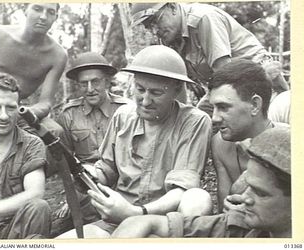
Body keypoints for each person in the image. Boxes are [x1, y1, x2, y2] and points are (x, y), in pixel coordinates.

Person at [57, 45, 213, 238]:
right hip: (117, 223)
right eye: (140, 90)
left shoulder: (193, 122)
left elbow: (182, 190)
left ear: (176, 90)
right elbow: (106, 169)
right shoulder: (123, 116)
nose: (145, 101)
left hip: (163, 224)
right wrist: (91, 175)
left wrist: (138, 213)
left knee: (198, 198)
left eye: (156, 93)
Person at [112, 126, 291, 238]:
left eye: (261, 193)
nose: (245, 198)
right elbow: (139, 223)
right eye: (249, 186)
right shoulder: (247, 225)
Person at [131, 3, 289, 116]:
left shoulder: (202, 19)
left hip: (261, 81)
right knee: (196, 124)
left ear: (172, 7)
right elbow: (177, 85)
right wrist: (180, 119)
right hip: (228, 85)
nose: (154, 31)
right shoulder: (169, 37)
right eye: (148, 26)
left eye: (156, 21)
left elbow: (225, 71)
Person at [52, 52, 130, 236]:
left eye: (95, 82)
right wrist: (70, 197)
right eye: (83, 84)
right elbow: (65, 162)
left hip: (123, 183)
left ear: (107, 82)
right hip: (87, 186)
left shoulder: (126, 110)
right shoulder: (68, 115)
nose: (90, 89)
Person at [208, 59, 288, 212]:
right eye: (214, 108)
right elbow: (225, 209)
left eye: (223, 107)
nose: (214, 118)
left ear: (255, 105)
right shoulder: (220, 143)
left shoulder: (290, 142)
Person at [0, 72, 51, 239]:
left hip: (13, 229)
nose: (4, 115)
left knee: (39, 207)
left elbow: (36, 193)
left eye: (10, 107)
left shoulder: (31, 144)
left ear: (19, 108)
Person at [0, 3, 67, 132]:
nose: (43, 17)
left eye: (50, 12)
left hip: (17, 112)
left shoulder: (57, 55)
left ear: (56, 17)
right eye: (37, 9)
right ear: (25, 10)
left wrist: (22, 114)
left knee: (55, 131)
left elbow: (45, 103)